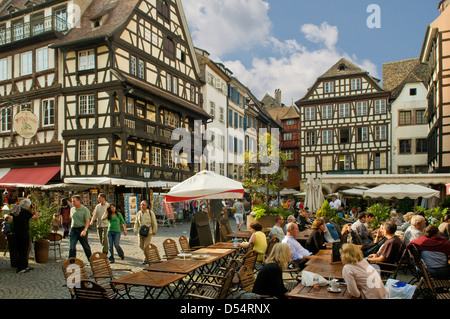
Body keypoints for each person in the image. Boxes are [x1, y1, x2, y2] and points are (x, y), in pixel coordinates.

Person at [10, 199, 39, 273]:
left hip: (17, 233)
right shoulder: (25, 212)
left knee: (20, 250)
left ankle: (24, 266)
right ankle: (21, 268)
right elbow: (36, 217)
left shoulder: (17, 210)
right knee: (24, 250)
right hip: (24, 233)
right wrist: (34, 209)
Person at [69, 195, 92, 260]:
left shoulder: (85, 209)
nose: (72, 203)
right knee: (72, 247)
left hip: (82, 229)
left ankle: (90, 260)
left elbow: (87, 221)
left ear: (79, 201)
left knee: (85, 246)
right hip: (74, 229)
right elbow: (71, 218)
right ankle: (71, 261)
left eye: (74, 201)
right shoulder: (72, 209)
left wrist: (85, 230)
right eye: (72, 201)